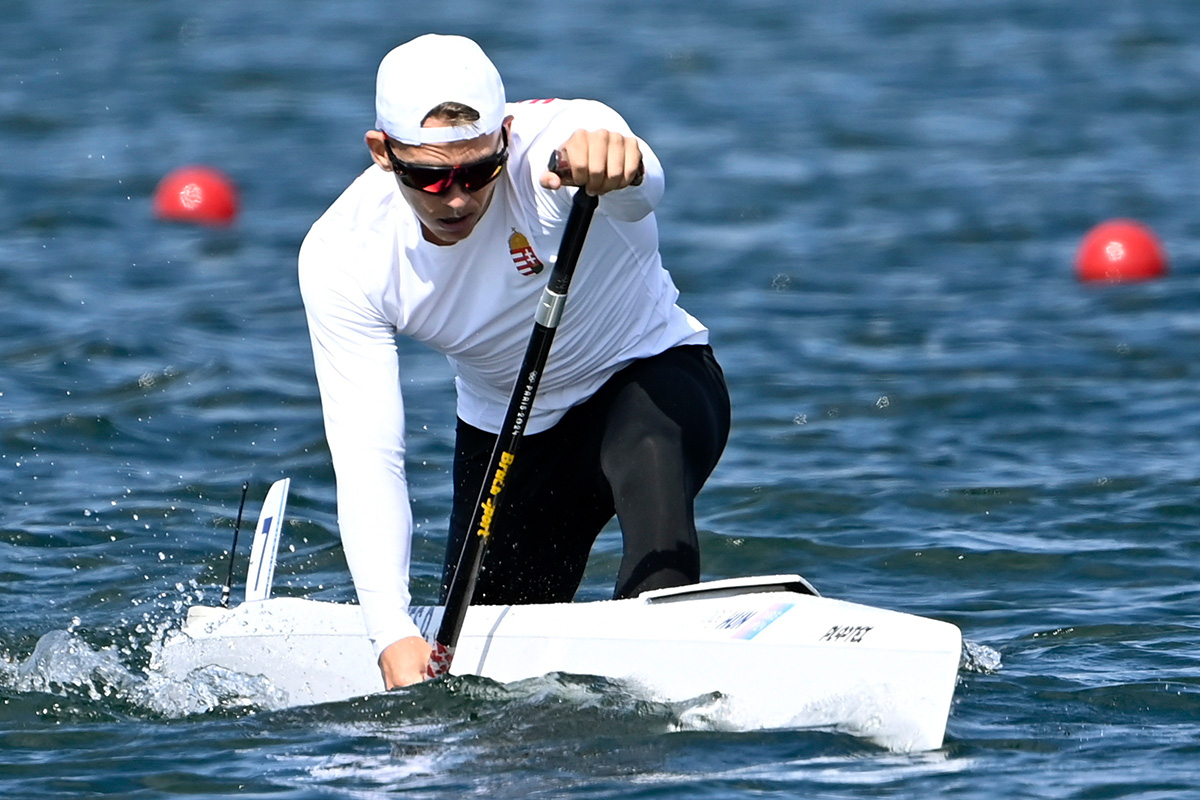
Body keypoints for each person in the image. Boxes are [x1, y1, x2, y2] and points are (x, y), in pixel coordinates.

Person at [298, 33, 730, 689]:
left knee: (650, 460)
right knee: (475, 681)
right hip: (509, 436)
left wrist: (628, 164)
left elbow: (642, 186)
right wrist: (390, 632)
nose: (456, 198)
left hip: (653, 379)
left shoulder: (559, 148)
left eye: (477, 172)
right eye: (430, 176)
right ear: (382, 153)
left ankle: (660, 718)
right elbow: (368, 453)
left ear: (505, 135)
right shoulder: (344, 255)